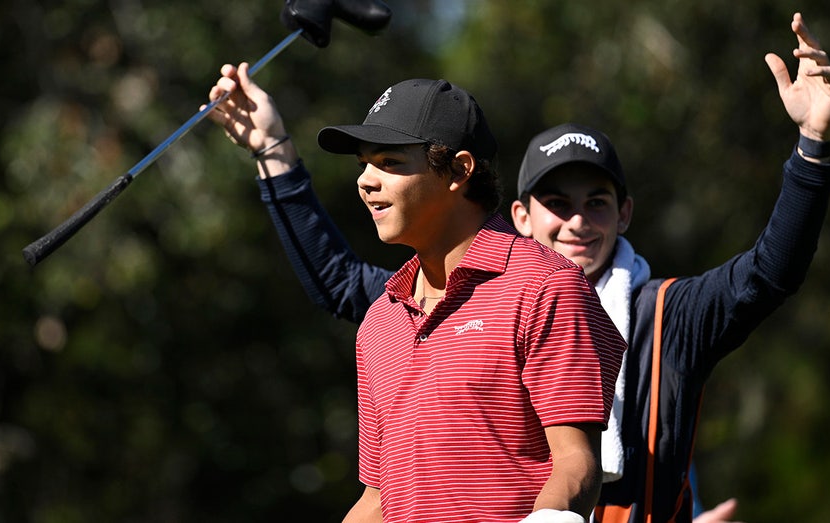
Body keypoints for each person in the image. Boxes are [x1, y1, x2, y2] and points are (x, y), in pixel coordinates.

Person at [206, 11, 830, 523]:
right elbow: (341, 285)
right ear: (519, 215)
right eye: (556, 204)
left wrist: (813, 147)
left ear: (626, 214)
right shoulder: (402, 309)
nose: (576, 222)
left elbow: (767, 275)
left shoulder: (663, 314)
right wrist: (272, 151)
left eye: (597, 204)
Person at [208, 75, 627, 522]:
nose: (366, 182)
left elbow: (575, 463)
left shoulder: (546, 285)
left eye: (389, 162)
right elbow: (377, 499)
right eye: (363, 164)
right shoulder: (381, 319)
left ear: (459, 170)